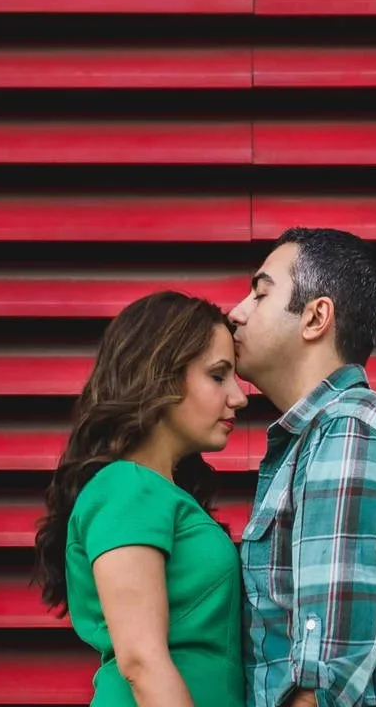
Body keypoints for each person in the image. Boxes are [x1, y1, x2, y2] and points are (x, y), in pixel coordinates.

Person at [226, 227, 376, 707]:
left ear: (316, 317)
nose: (236, 311)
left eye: (260, 293)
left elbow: (325, 670)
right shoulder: (327, 434)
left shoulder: (346, 431)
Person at [39, 291, 252, 707]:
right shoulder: (127, 488)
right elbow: (141, 661)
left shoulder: (154, 491)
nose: (239, 396)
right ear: (162, 377)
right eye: (217, 375)